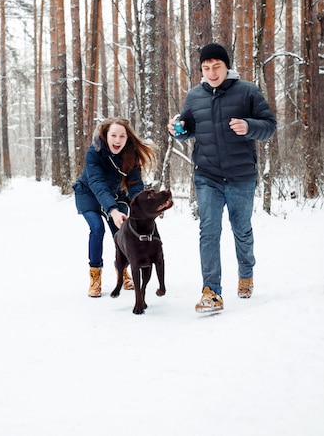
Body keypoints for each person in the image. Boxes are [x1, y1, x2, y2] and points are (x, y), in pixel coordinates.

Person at [168, 43, 276, 313]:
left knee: (241, 230)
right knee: (209, 231)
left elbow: (270, 126)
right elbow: (189, 128)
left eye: (216, 66)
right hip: (208, 175)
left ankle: (246, 273)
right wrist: (177, 131)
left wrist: (250, 126)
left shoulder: (247, 91)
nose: (211, 72)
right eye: (206, 68)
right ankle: (211, 291)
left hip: (241, 176)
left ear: (227, 66)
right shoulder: (194, 96)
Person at [73, 117, 158, 298]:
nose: (117, 140)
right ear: (106, 135)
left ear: (127, 138)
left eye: (122, 136)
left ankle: (123, 271)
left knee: (121, 233)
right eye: (113, 135)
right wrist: (112, 210)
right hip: (89, 194)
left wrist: (140, 207)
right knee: (97, 228)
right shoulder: (94, 152)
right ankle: (95, 276)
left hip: (117, 195)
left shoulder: (131, 154)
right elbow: (96, 182)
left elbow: (135, 184)